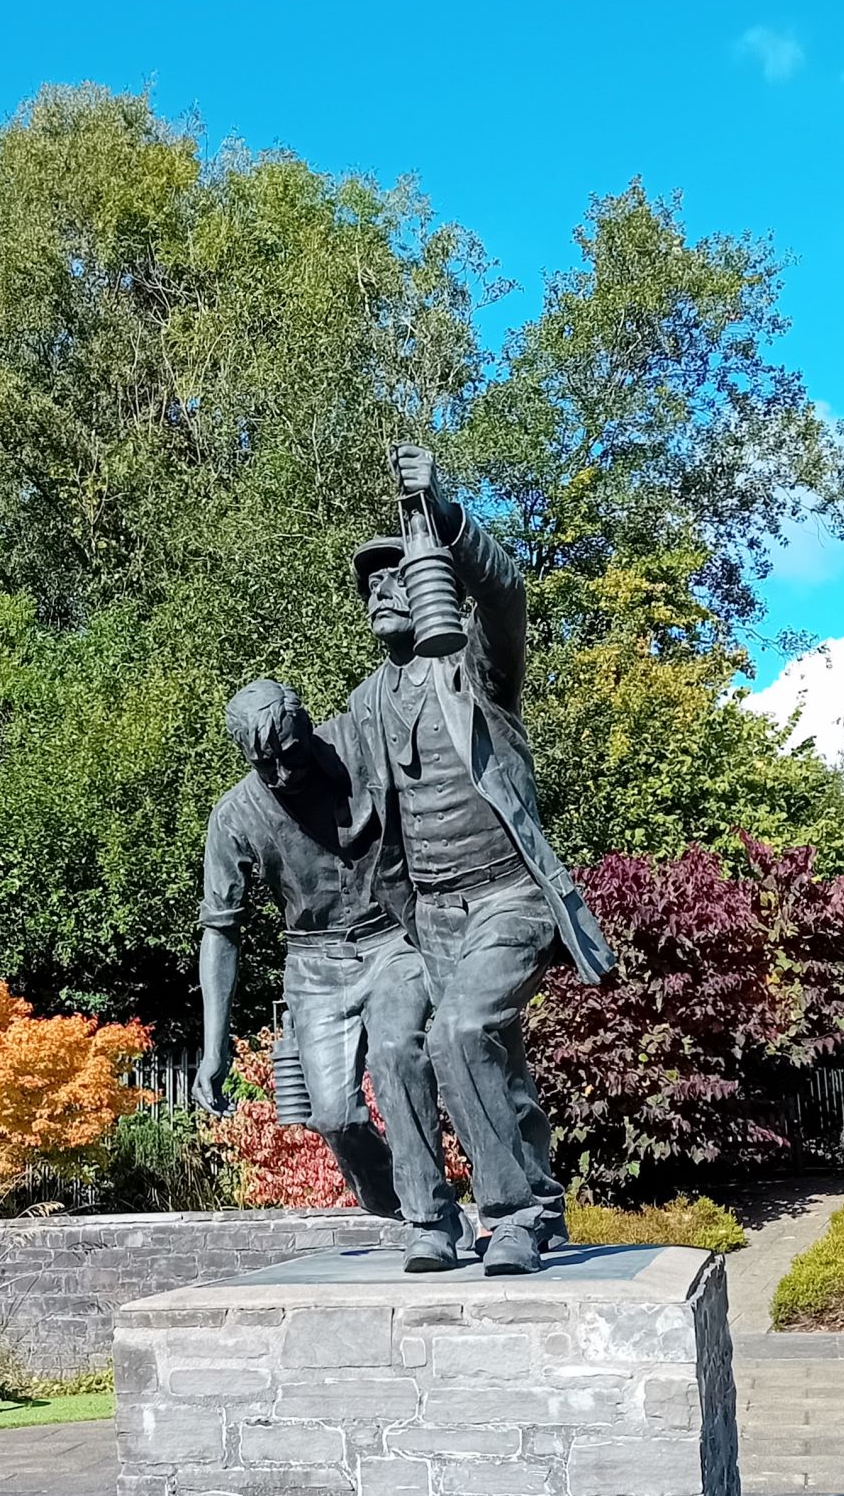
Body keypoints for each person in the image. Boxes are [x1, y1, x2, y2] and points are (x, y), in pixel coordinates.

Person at [344, 445, 615, 1275]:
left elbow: (506, 591)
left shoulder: (480, 672)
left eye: (399, 571)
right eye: (371, 583)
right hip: (426, 920)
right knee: (392, 1044)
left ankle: (516, 1214)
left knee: (462, 1032)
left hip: (507, 898)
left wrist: (448, 514)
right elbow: (350, 821)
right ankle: (430, 1219)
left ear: (431, 582)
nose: (385, 587)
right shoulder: (362, 705)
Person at [194, 677, 463, 1262]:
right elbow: (221, 929)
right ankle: (401, 1193)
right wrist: (214, 1048)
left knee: (397, 1052)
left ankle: (430, 1222)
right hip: (315, 965)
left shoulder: (360, 746)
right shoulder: (236, 816)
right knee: (336, 1115)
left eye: (290, 755)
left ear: (308, 727)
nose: (283, 774)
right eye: (265, 766)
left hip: (393, 939)